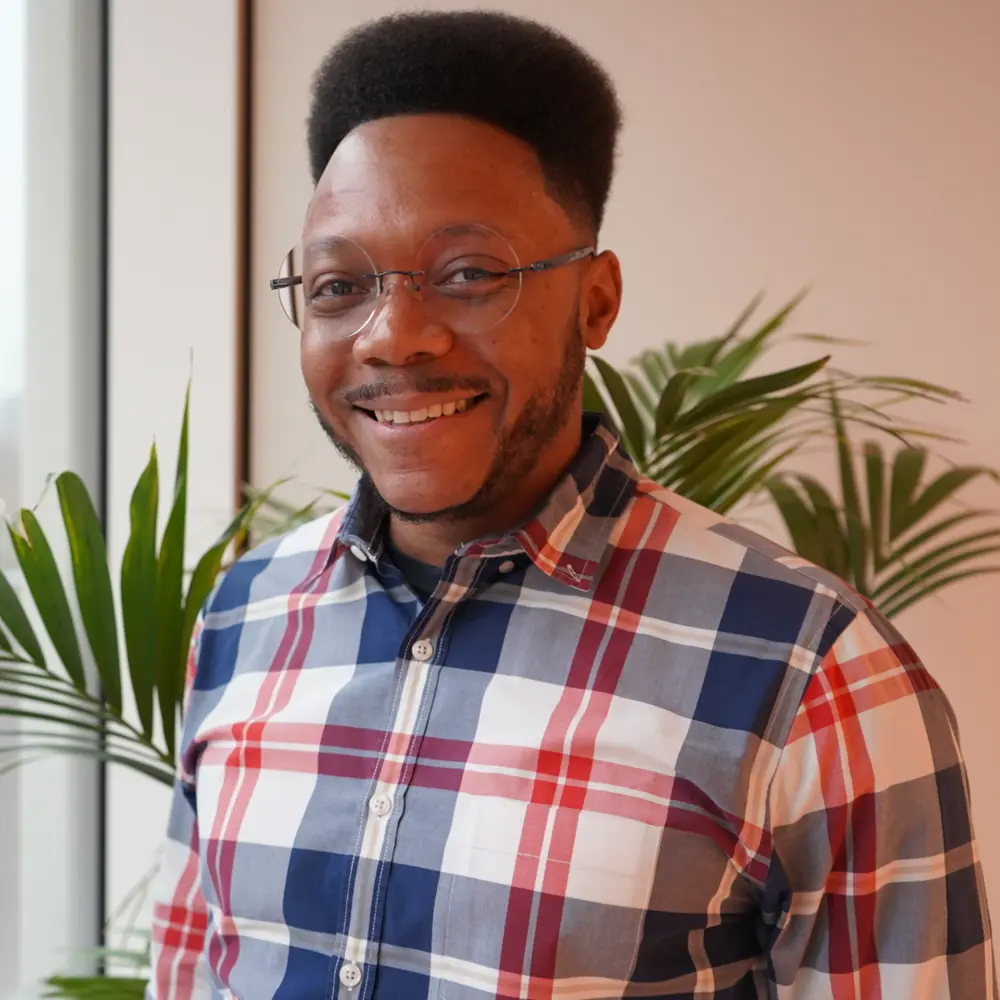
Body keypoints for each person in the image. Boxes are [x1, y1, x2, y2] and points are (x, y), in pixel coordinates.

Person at [148, 10, 996, 999]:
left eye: (467, 274)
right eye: (340, 285)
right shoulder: (244, 612)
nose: (394, 336)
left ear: (595, 300)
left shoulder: (813, 672)